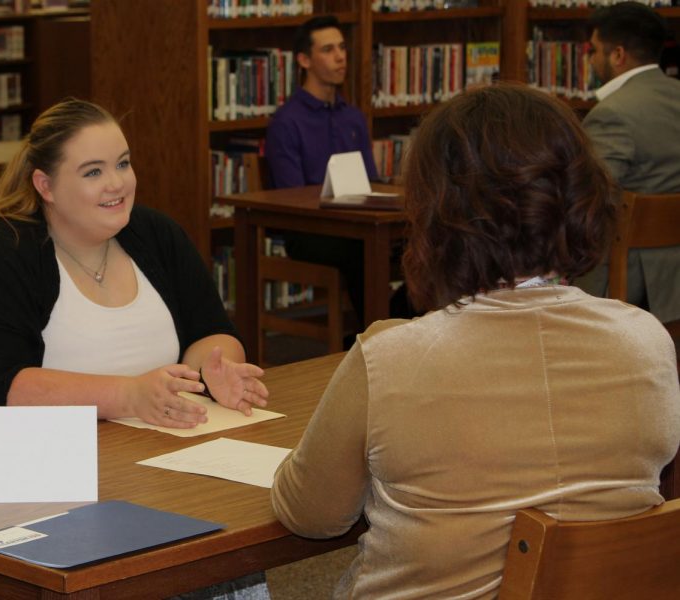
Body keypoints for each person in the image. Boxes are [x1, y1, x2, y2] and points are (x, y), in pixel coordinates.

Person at [271, 83, 680, 599]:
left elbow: (311, 514)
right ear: (580, 199)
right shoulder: (646, 339)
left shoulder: (391, 358)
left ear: (435, 215)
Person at [0, 98, 269, 442]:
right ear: (45, 185)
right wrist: (129, 396)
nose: (117, 183)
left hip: (112, 443)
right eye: (93, 171)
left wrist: (214, 371)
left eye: (123, 163)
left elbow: (210, 330)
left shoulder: (155, 233)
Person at [264, 15, 379, 331]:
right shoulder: (287, 122)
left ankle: (403, 323)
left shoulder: (353, 117)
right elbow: (290, 197)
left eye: (342, 47)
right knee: (364, 250)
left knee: (412, 244)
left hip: (358, 223)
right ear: (304, 60)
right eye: (328, 50)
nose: (340, 56)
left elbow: (371, 180)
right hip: (310, 233)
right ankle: (376, 333)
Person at [573, 1, 680, 324]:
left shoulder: (612, 114)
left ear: (617, 55)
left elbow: (587, 198)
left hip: (636, 278)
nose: (590, 60)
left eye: (594, 51)